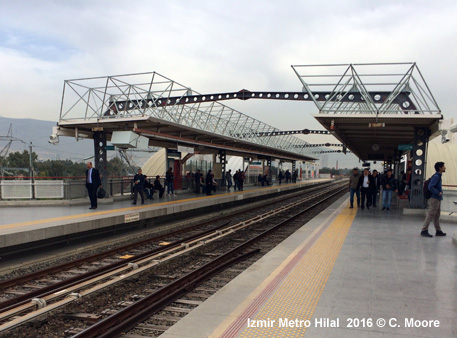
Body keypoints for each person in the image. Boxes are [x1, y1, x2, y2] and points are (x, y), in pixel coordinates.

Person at [421, 162, 447, 237]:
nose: (445, 167)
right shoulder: (436, 176)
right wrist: (437, 192)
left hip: (437, 198)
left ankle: (438, 230)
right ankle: (424, 230)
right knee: (431, 214)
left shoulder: (438, 176)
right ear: (440, 168)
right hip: (434, 198)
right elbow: (430, 186)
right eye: (443, 166)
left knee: (437, 215)